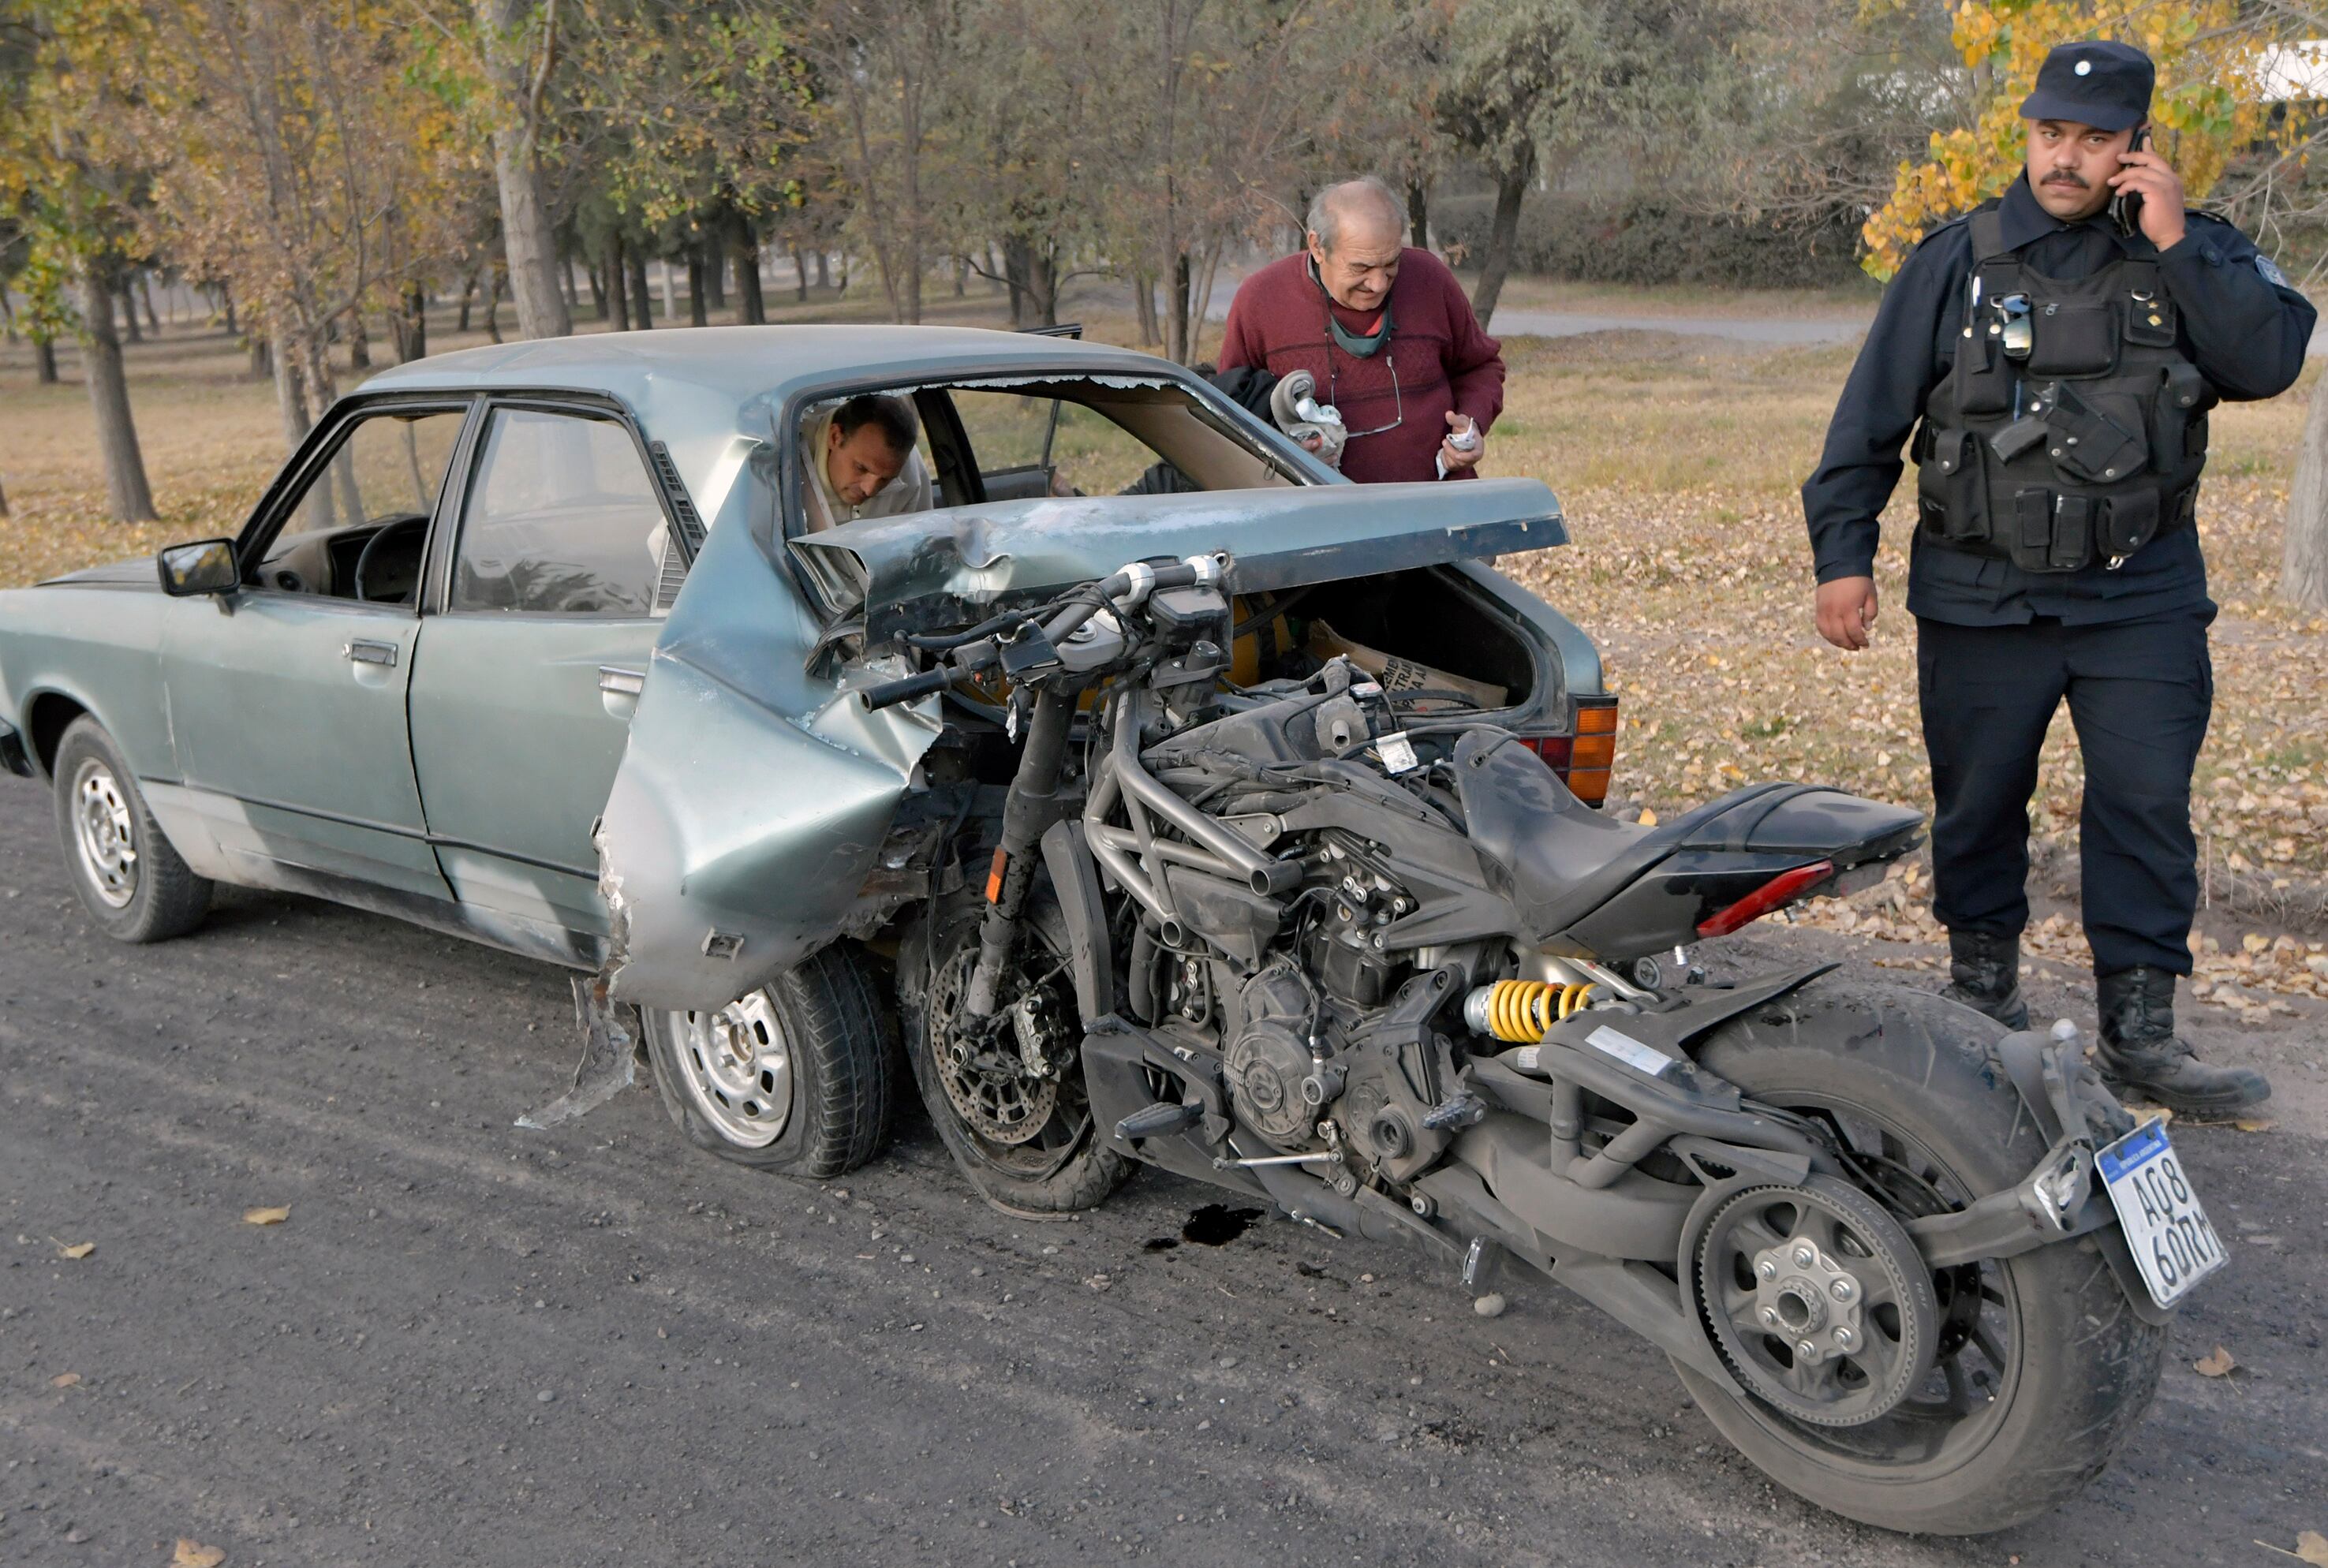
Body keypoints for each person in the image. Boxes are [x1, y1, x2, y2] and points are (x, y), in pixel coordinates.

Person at [1801, 39, 2314, 1115]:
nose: (2064, 157)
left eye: (2091, 139)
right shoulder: (1954, 259)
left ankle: (2142, 1037)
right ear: (2024, 133)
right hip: (1979, 595)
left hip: (2140, 595)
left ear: (2134, 146)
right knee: (1977, 806)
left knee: (2143, 808)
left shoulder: (2193, 251)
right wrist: (1840, 558)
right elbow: (1868, 420)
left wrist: (2176, 246)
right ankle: (1979, 1008)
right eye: (2048, 134)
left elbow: (2264, 363)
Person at [1219, 176, 1504, 485]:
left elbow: (1481, 367)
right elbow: (1228, 411)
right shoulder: (1261, 299)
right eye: (1361, 268)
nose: (1378, 284)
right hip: (1317, 520)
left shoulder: (1431, 279)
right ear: (1317, 247)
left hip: (1436, 505)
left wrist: (1472, 425)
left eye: (1391, 264)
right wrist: (1283, 449)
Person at [801, 393, 932, 532]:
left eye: (885, 480)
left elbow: (919, 539)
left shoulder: (909, 468)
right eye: (861, 468)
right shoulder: (786, 458)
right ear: (835, 437)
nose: (869, 490)